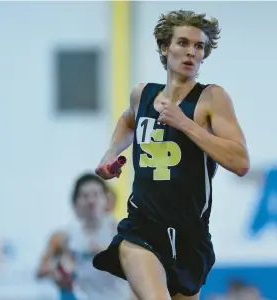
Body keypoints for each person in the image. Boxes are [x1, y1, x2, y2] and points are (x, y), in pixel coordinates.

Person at [93, 9, 250, 300]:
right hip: (142, 228)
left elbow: (240, 162)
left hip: (191, 235)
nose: (191, 52)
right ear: (166, 48)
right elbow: (129, 120)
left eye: (199, 46)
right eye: (183, 43)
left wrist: (185, 124)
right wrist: (110, 153)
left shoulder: (212, 98)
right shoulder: (143, 94)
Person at [36, 173, 132, 300]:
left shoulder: (123, 232)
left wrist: (110, 255)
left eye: (96, 195)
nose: (91, 201)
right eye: (85, 196)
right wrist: (58, 271)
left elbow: (144, 269)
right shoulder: (63, 237)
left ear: (107, 200)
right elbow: (40, 272)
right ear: (75, 203)